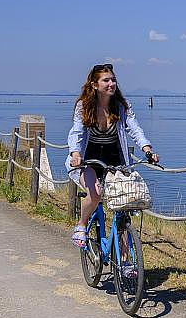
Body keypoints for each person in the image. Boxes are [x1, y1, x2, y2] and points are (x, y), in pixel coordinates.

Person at [66, 63, 160, 247]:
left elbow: (134, 129)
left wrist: (147, 149)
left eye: (113, 80)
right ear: (94, 85)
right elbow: (76, 132)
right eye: (106, 80)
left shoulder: (121, 106)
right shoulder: (84, 106)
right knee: (95, 194)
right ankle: (81, 225)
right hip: (88, 160)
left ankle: (125, 262)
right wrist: (75, 153)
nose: (111, 84)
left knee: (124, 210)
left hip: (116, 160)